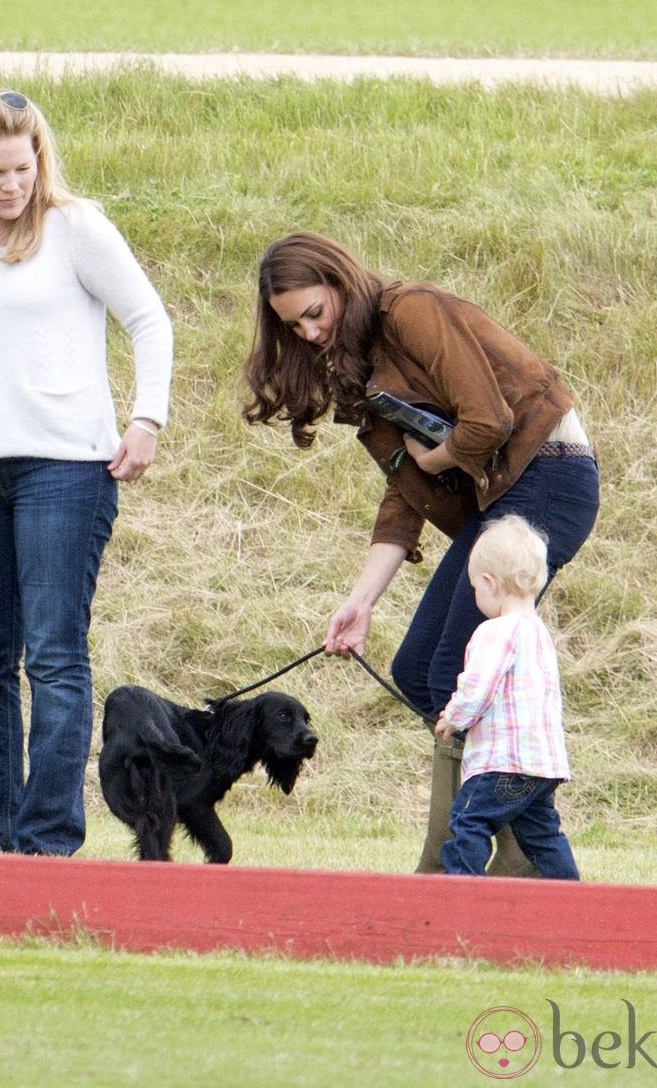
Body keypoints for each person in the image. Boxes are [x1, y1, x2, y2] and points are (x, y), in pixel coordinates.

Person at [243, 231, 598, 876]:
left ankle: (466, 865)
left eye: (315, 314)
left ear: (341, 282)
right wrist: (360, 600)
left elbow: (486, 420)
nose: (311, 335)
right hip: (501, 497)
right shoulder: (358, 370)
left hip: (549, 474)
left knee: (450, 675)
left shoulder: (409, 310)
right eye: (294, 328)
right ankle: (514, 852)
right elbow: (406, 495)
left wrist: (435, 455)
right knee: (415, 672)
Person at [0, 90, 173, 855]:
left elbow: (149, 318)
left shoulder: (75, 228)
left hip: (66, 468)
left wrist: (147, 418)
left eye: (26, 166)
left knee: (52, 654)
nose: (16, 184)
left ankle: (46, 839)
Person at [434, 515, 579, 879]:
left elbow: (478, 687)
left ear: (490, 583)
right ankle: (573, 895)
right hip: (542, 765)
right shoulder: (540, 633)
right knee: (544, 837)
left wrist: (453, 718)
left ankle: (465, 897)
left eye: (475, 589)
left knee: (469, 823)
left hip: (502, 763)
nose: (476, 597)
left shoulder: (493, 632)